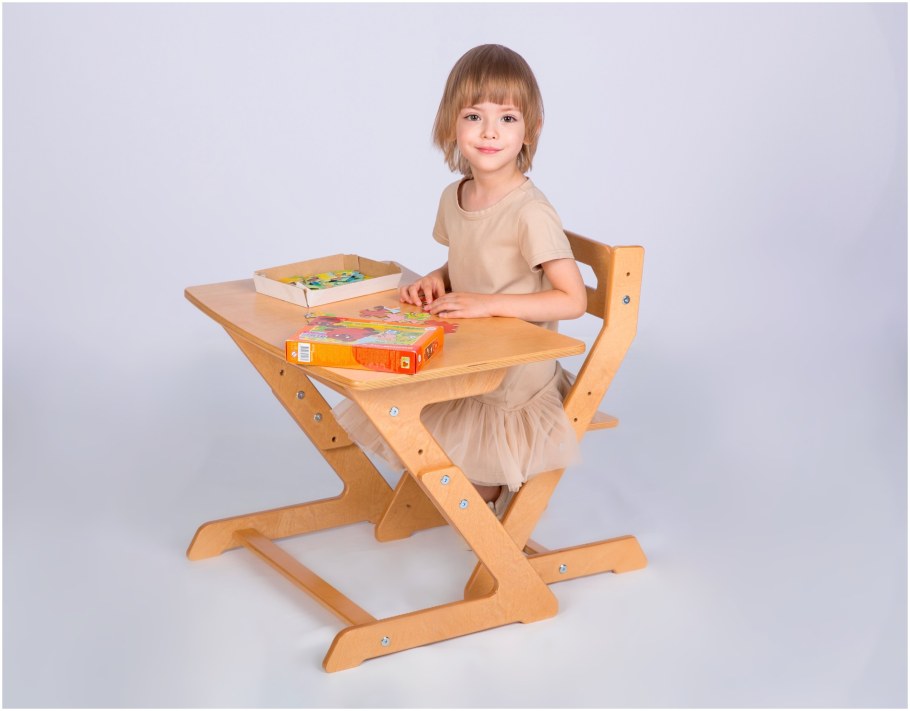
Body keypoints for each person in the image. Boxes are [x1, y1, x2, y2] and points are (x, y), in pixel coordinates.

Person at [334, 44, 587, 514]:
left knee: (457, 486)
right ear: (451, 123)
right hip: (469, 350)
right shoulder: (456, 195)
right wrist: (438, 278)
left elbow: (572, 299)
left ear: (531, 129)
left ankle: (492, 496)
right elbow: (471, 257)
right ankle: (468, 492)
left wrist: (487, 304)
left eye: (507, 118)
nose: (490, 131)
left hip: (512, 377)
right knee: (393, 405)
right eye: (474, 116)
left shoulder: (531, 212)